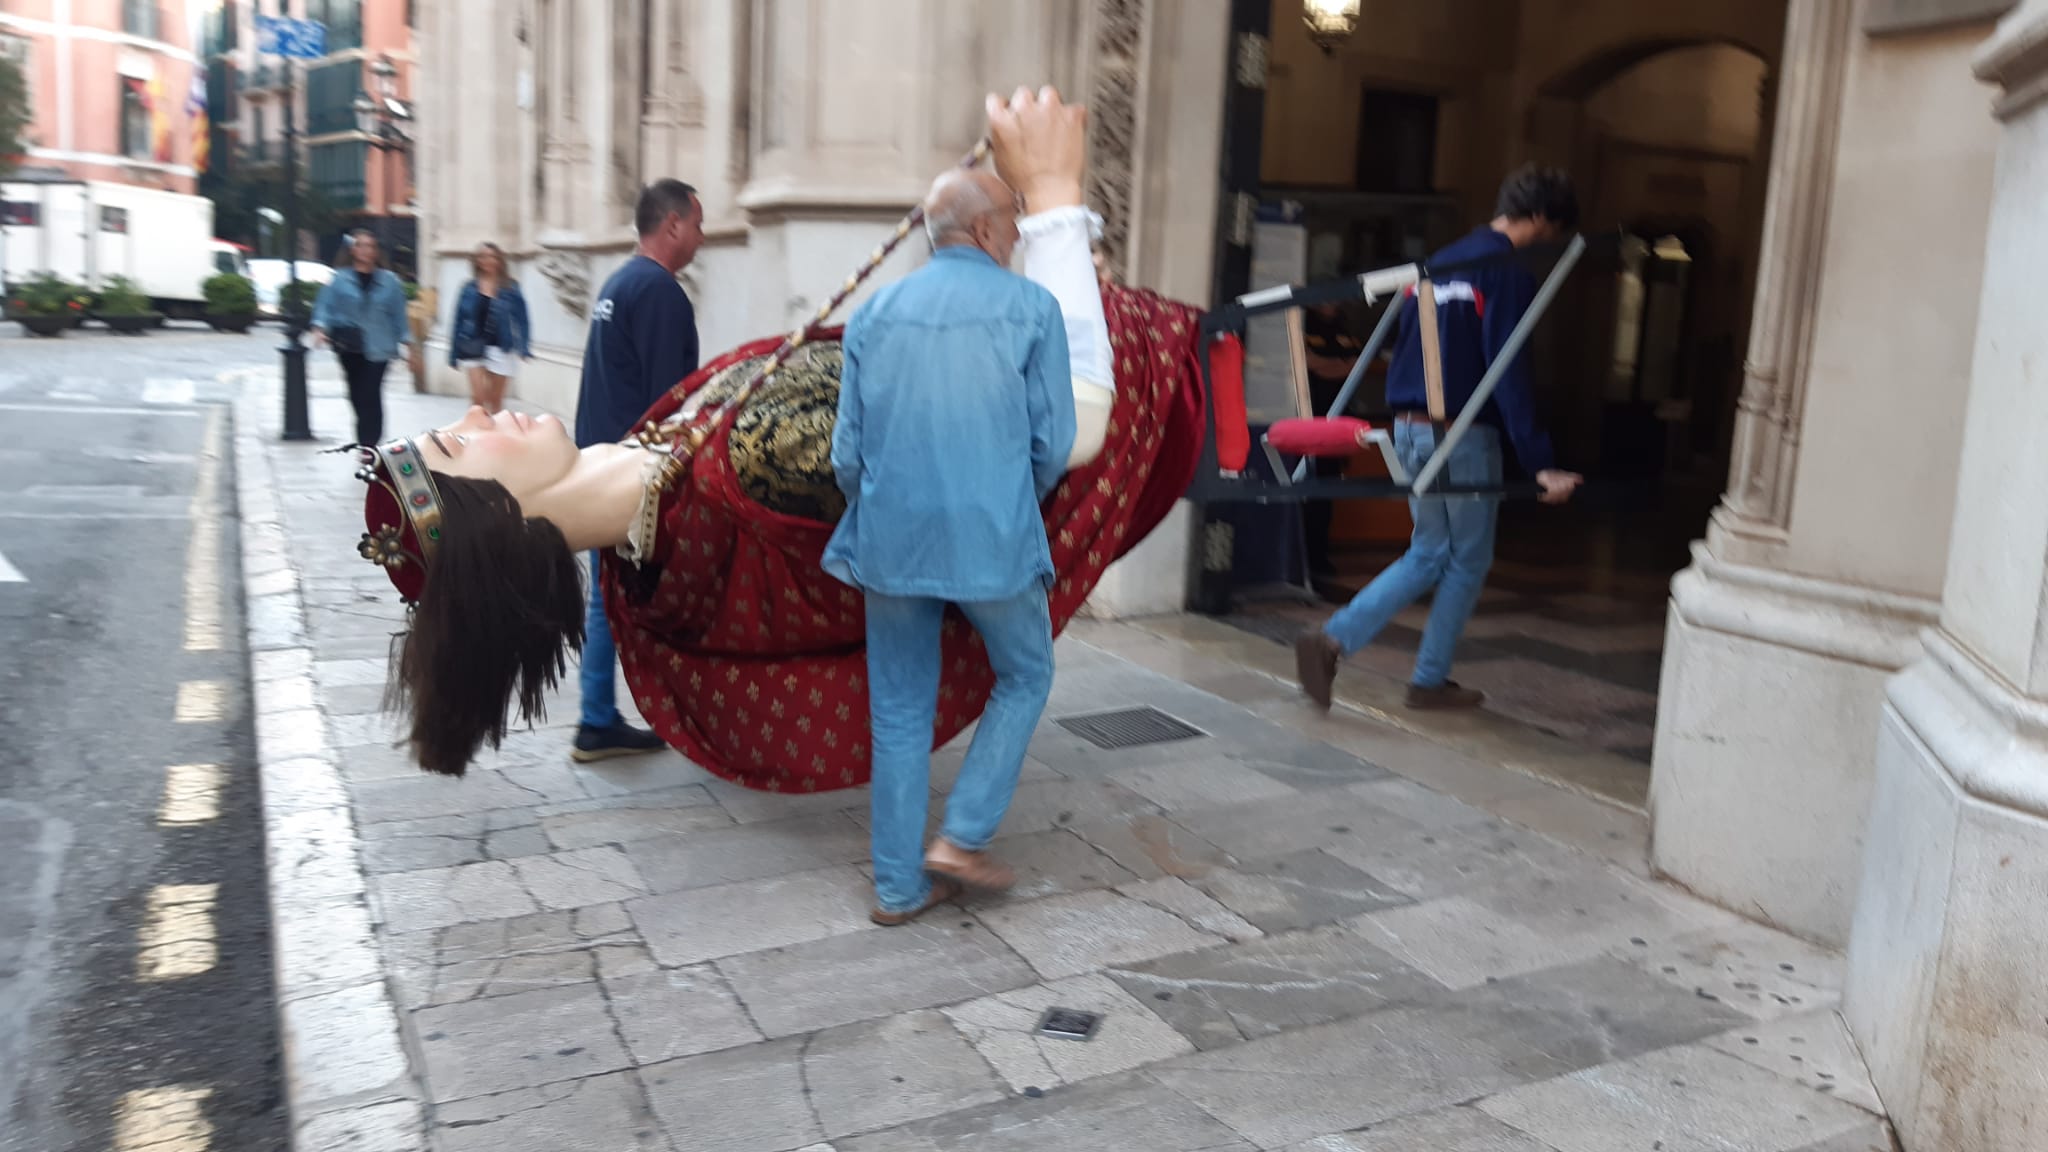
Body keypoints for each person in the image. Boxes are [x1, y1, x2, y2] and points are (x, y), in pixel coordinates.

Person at [345, 87, 1208, 803]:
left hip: (923, 545)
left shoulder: (662, 496)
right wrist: (1054, 206)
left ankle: (911, 869)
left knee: (905, 705)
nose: (477, 418)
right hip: (999, 512)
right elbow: (1062, 431)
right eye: (458, 446)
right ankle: (940, 852)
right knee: (960, 689)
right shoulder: (744, 465)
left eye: (454, 426)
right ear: (495, 521)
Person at [824, 161, 1097, 926]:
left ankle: (896, 888)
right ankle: (963, 835)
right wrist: (1003, 494)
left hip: (891, 537)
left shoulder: (875, 313)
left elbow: (847, 455)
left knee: (899, 709)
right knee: (1026, 672)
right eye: (1013, 220)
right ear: (982, 228)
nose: (1017, 235)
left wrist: (889, 502)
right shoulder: (1032, 308)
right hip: (993, 534)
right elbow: (1054, 443)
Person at [1295, 164, 1585, 712]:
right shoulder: (1505, 270)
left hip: (1409, 428)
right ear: (1543, 216)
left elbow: (1404, 347)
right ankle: (1424, 679)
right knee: (1467, 559)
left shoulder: (1437, 263)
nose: (1548, 241)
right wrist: (1540, 461)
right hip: (1461, 435)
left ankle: (1333, 641)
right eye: (1552, 230)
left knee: (1429, 550)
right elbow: (1508, 367)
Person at [569, 179, 704, 763]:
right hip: (633, 473)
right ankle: (628, 715)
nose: (702, 236)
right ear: (672, 224)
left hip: (602, 460)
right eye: (698, 223)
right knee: (656, 595)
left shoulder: (620, 282)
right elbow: (668, 403)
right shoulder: (659, 292)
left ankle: (598, 714)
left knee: (609, 594)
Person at [311, 230, 411, 446]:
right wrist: (320, 328)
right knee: (356, 395)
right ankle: (366, 439)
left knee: (371, 393)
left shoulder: (390, 281)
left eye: (371, 246)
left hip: (380, 345)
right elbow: (325, 306)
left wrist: (408, 342)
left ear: (376, 251)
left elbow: (399, 314)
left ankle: (369, 444)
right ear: (353, 250)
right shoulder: (339, 279)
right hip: (350, 346)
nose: (366, 250)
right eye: (361, 245)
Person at [1300, 301, 1365, 585]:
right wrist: (1338, 365)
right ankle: (1301, 556)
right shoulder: (1303, 327)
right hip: (1305, 418)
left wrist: (1325, 365)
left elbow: (1358, 365)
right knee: (1302, 488)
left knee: (1326, 492)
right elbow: (1304, 361)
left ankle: (1319, 555)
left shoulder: (1345, 333)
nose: (1330, 304)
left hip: (1337, 422)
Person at [447, 242, 531, 414]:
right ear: (477, 261)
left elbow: (522, 319)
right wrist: (453, 353)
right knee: (478, 398)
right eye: (483, 257)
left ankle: (494, 430)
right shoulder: (468, 288)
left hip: (501, 346)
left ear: (500, 261)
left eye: (493, 257)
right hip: (472, 345)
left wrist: (524, 346)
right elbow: (458, 319)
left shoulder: (511, 287)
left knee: (495, 401)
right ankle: (475, 430)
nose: (488, 261)